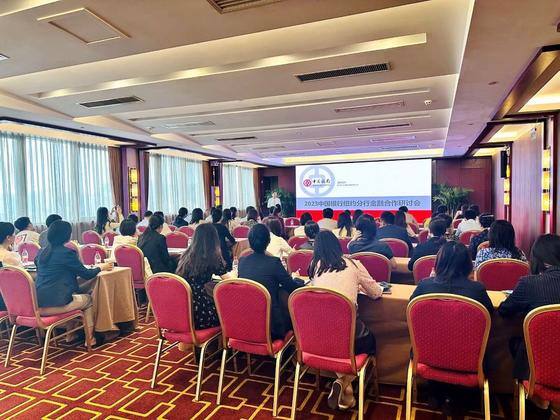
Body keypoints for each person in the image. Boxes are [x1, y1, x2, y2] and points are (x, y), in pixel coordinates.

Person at [409, 241, 493, 414]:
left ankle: (436, 392)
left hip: (428, 355)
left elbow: (411, 313)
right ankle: (456, 396)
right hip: (469, 358)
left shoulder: (425, 286)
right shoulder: (477, 290)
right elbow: (490, 317)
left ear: (438, 263)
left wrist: (431, 278)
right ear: (468, 265)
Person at [309, 230, 382, 411]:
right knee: (368, 342)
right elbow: (375, 293)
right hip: (347, 334)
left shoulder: (315, 266)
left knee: (337, 345)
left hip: (316, 335)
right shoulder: (353, 264)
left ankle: (345, 389)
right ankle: (344, 382)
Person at [499, 234, 560, 415]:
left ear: (538, 259)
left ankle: (537, 401)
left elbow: (504, 311)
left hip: (542, 362)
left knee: (518, 343)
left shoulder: (530, 284)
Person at [35, 220, 113, 346]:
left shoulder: (41, 253)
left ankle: (70, 335)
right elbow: (87, 274)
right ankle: (90, 339)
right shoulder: (66, 253)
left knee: (73, 295)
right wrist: (101, 267)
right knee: (88, 300)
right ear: (67, 235)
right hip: (57, 305)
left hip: (38, 304)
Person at [238, 224, 302, 339]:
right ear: (268, 241)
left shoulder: (242, 262)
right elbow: (292, 288)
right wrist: (297, 279)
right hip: (271, 326)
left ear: (249, 242)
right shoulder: (273, 263)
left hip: (246, 322)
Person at [176, 223, 228, 330]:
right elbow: (229, 280)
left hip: (182, 310)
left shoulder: (186, 255)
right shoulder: (212, 256)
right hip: (200, 312)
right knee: (226, 311)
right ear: (213, 239)